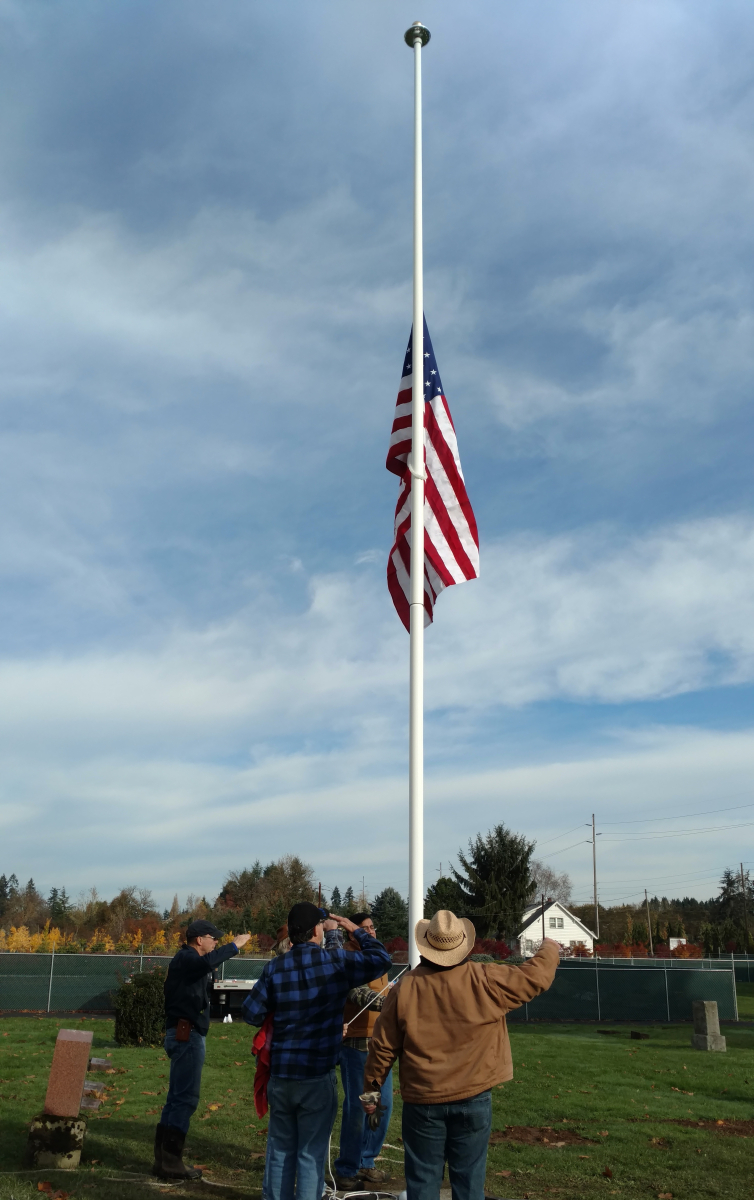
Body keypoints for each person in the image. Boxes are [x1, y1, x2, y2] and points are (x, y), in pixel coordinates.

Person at [362, 910, 559, 1200]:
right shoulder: (486, 979)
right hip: (474, 1097)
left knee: (422, 1183)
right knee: (469, 1183)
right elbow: (537, 976)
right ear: (463, 944)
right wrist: (550, 946)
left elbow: (382, 1046)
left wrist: (371, 1090)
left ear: (426, 945)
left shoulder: (405, 988)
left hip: (423, 1101)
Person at [242, 900, 391, 1200]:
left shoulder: (274, 967)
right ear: (314, 931)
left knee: (280, 1153)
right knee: (310, 1155)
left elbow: (251, 1013)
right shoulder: (334, 962)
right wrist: (354, 930)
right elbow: (381, 959)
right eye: (322, 926)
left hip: (282, 1077)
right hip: (317, 1077)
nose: (325, 930)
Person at [153, 919, 251, 1179]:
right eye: (213, 938)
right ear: (199, 940)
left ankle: (163, 1161)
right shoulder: (187, 958)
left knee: (176, 1097)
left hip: (184, 1032)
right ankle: (171, 1162)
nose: (216, 941)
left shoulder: (186, 961)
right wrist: (235, 946)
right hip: (188, 1034)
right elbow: (205, 963)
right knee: (185, 1098)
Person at [333, 912, 393, 1189]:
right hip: (356, 1046)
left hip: (381, 1044)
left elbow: (384, 995)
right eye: (365, 928)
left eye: (373, 927)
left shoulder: (377, 961)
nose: (371, 932)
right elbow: (359, 995)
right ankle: (347, 1166)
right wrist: (395, 1001)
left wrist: (395, 993)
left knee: (382, 1105)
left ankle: (366, 1161)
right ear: (351, 933)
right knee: (360, 1107)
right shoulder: (345, 958)